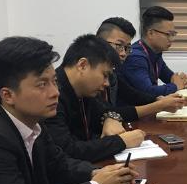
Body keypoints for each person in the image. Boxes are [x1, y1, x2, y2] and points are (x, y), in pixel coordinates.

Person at [0, 37, 137, 184]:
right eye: (42, 84)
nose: (55, 92)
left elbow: (60, 164)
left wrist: (96, 173)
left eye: (55, 81)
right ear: (8, 95)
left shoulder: (32, 119)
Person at [44, 34, 147, 162]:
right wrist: (121, 141)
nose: (107, 83)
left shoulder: (85, 90)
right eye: (105, 75)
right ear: (82, 65)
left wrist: (110, 118)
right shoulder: (52, 96)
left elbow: (106, 110)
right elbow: (68, 150)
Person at [95, 17, 185, 117]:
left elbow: (131, 94)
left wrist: (157, 100)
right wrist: (159, 105)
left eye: (127, 48)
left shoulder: (113, 72)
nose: (123, 53)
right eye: (119, 45)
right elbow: (105, 114)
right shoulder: (90, 75)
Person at [122, 6, 187, 97]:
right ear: (151, 33)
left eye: (173, 34)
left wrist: (182, 80)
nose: (171, 39)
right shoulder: (136, 57)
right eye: (168, 34)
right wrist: (175, 86)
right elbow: (148, 92)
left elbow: (169, 77)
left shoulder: (155, 52)